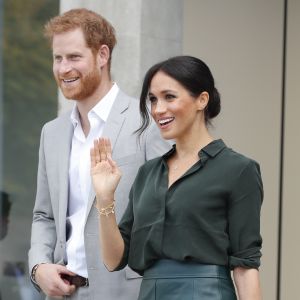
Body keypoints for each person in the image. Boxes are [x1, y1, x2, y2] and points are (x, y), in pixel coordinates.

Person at [90, 56, 263, 300]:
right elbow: (114, 259)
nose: (158, 109)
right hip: (151, 292)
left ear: (202, 100)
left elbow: (246, 265)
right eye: (153, 99)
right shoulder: (148, 173)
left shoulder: (238, 169)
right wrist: (104, 197)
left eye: (169, 97)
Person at [28, 8, 170, 300]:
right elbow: (44, 216)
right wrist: (39, 267)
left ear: (102, 55)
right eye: (58, 58)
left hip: (128, 292)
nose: (63, 68)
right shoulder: (51, 133)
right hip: (63, 293)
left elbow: (168, 213)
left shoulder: (147, 121)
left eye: (74, 57)